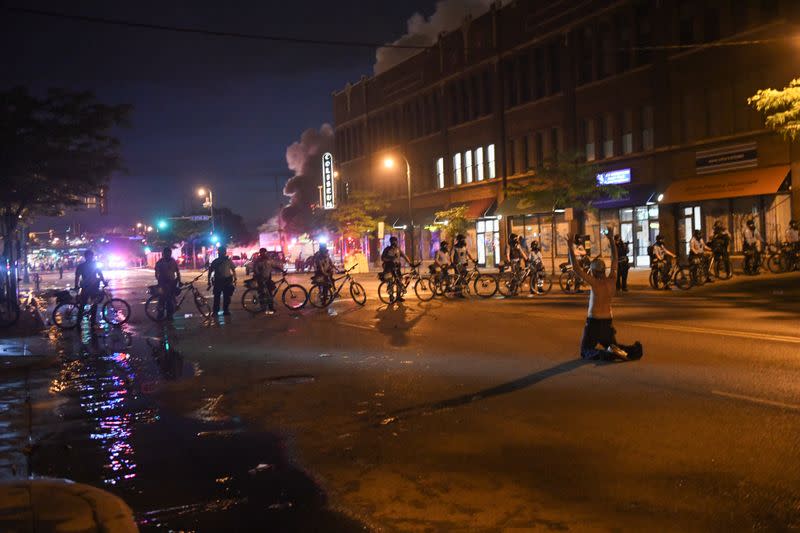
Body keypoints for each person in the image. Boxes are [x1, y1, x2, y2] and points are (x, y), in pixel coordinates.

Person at [568, 229, 642, 361]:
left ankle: (607, 354)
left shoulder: (594, 282)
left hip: (594, 323)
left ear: (594, 271)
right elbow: (614, 259)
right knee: (614, 345)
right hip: (608, 322)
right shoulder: (612, 279)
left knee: (586, 351)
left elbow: (576, 268)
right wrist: (611, 240)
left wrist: (569, 245)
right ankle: (634, 350)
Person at [74, 250, 106, 328]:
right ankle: (89, 322)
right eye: (90, 256)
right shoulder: (91, 265)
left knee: (89, 304)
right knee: (87, 304)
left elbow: (100, 274)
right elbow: (77, 276)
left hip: (90, 286)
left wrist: (76, 285)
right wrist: (103, 281)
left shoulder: (83, 265)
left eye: (91, 256)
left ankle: (83, 322)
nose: (91, 257)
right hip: (89, 287)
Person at [207, 246, 237, 316]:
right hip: (218, 281)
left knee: (227, 297)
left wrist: (235, 278)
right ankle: (215, 311)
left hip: (227, 280)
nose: (221, 253)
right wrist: (208, 281)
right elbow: (210, 272)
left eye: (223, 252)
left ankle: (226, 310)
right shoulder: (215, 261)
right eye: (220, 252)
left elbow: (233, 270)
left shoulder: (228, 261)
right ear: (219, 252)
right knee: (217, 297)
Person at [381, 236, 411, 302]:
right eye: (393, 241)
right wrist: (390, 259)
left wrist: (410, 263)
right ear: (391, 242)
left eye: (395, 241)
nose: (394, 242)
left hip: (397, 268)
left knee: (399, 281)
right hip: (389, 268)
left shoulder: (398, 249)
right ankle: (391, 296)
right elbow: (383, 258)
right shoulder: (387, 249)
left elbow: (404, 256)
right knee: (390, 282)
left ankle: (398, 296)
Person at [154, 247, 181, 320]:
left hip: (171, 283)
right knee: (162, 300)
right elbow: (156, 274)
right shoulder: (160, 262)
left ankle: (170, 315)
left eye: (169, 253)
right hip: (162, 284)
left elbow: (177, 271)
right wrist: (160, 282)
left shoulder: (173, 261)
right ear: (163, 254)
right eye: (166, 253)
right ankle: (160, 315)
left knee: (171, 299)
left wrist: (179, 280)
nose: (168, 255)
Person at [252, 248, 278, 314]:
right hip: (260, 279)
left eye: (264, 252)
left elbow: (274, 266)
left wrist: (282, 271)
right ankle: (262, 307)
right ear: (260, 253)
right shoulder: (257, 261)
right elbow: (255, 269)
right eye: (261, 252)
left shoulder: (269, 260)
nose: (263, 254)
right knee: (262, 293)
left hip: (268, 278)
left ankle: (271, 307)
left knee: (270, 293)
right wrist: (258, 276)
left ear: (265, 253)